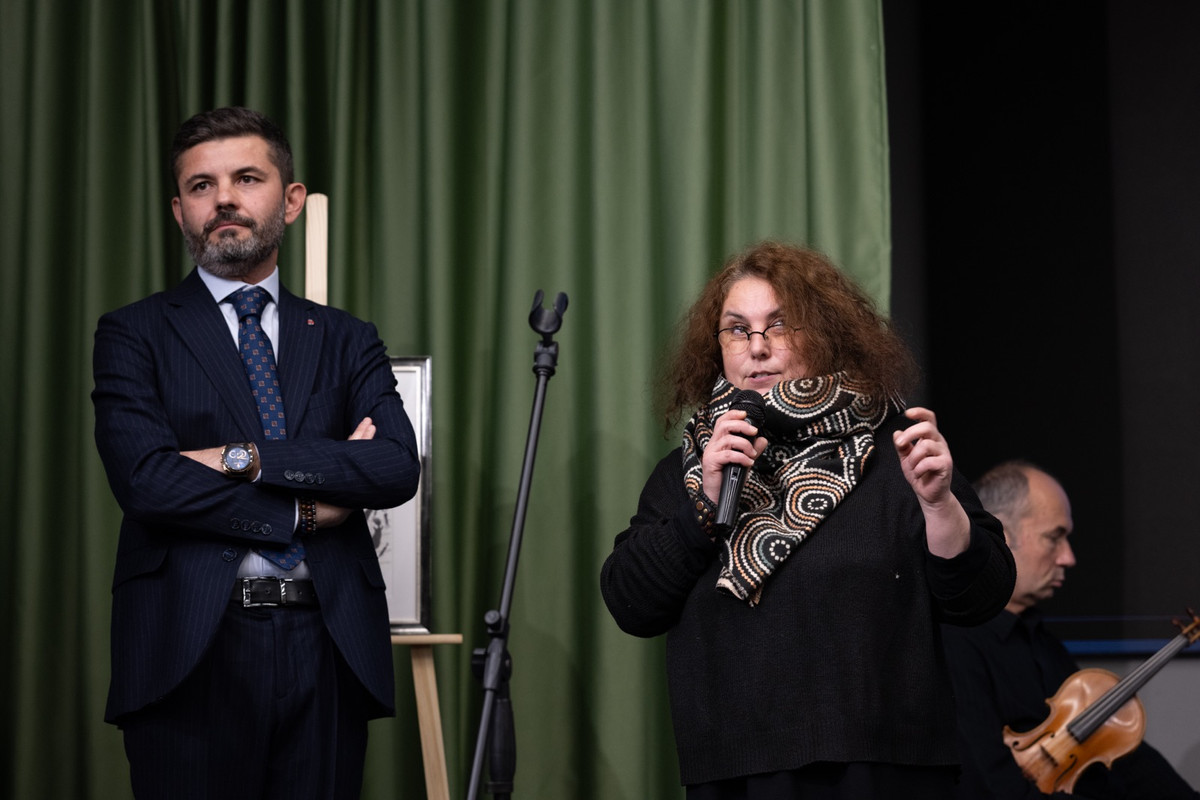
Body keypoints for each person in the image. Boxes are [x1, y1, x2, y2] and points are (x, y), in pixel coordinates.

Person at [600, 241, 1017, 799]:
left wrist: (941, 507)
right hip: (739, 775)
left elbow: (982, 597)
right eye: (737, 329)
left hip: (885, 771)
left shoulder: (899, 452)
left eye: (779, 325)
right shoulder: (691, 470)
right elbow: (631, 603)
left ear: (826, 333)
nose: (758, 347)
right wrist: (704, 506)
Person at [91, 106, 421, 798]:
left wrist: (238, 456)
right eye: (201, 185)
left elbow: (392, 465)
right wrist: (307, 507)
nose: (224, 200)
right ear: (179, 211)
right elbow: (147, 481)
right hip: (188, 647)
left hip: (327, 644)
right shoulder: (132, 333)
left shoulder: (347, 338)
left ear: (290, 200)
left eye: (246, 178)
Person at [941, 461, 1199, 799]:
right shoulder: (956, 642)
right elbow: (992, 783)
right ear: (1001, 535)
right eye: (1054, 538)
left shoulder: (1043, 643)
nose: (1068, 557)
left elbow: (1123, 757)